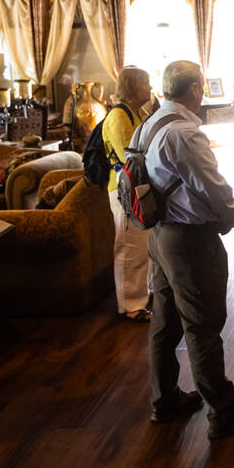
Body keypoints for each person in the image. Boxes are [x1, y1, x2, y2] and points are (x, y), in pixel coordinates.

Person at [137, 60, 234, 436]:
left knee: (165, 324)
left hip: (160, 236)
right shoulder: (183, 133)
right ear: (195, 88)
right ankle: (224, 415)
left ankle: (164, 402)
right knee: (202, 326)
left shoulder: (150, 124)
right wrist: (232, 214)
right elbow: (211, 187)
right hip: (190, 241)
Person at [103, 65, 154, 322]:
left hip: (134, 187)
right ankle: (131, 305)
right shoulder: (119, 117)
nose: (151, 89)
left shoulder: (134, 113)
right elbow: (131, 156)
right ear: (134, 88)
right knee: (129, 246)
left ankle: (142, 294)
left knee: (141, 244)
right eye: (146, 84)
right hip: (123, 190)